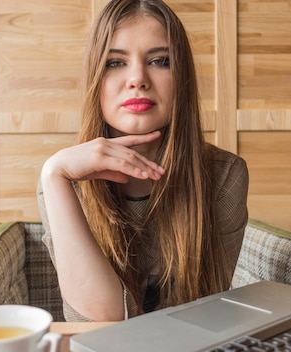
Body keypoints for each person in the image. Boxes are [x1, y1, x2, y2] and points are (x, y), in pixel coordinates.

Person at [37, 0, 249, 322]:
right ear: (96, 80)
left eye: (161, 61)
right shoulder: (62, 180)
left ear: (182, 79)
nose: (138, 78)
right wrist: (54, 174)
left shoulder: (224, 176)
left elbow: (206, 315)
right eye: (115, 63)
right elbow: (100, 320)